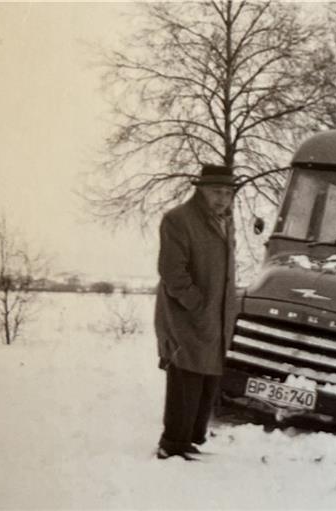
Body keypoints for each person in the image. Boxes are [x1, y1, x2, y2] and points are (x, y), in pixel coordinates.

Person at [154, 164, 238, 460]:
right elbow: (171, 272)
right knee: (185, 375)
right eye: (216, 192)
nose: (222, 199)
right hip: (186, 316)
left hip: (215, 316)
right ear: (200, 190)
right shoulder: (179, 220)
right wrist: (198, 304)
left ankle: (190, 439)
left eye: (228, 193)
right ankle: (172, 443)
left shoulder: (225, 222)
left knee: (206, 377)